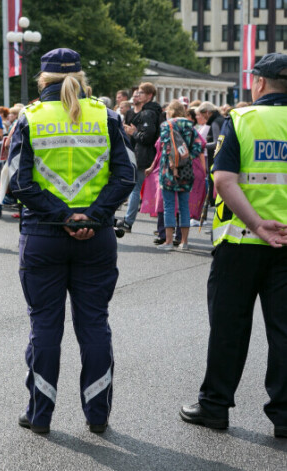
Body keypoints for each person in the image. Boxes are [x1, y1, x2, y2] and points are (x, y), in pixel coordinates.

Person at [8, 48, 135, 435]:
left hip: (44, 235)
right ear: (80, 78)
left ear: (41, 80)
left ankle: (40, 415)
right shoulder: (108, 116)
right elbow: (126, 176)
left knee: (45, 327)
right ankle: (97, 416)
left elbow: (18, 183)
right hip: (96, 237)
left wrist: (62, 215)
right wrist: (91, 216)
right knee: (94, 325)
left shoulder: (28, 117)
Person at [180, 53, 287, 439]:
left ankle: (214, 407)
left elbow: (225, 180)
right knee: (285, 332)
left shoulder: (241, 120)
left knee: (229, 327)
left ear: (259, 83)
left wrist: (258, 224)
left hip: (241, 242)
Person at [143, 100, 205, 251]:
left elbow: (167, 146)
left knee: (169, 206)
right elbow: (199, 146)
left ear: (171, 111)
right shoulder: (191, 125)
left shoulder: (167, 125)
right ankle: (184, 242)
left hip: (169, 170)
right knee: (184, 206)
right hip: (186, 170)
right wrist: (186, 159)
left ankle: (169, 241)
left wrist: (173, 164)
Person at [117, 82, 163, 232]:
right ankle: (164, 227)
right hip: (149, 154)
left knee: (136, 188)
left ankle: (128, 222)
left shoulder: (148, 113)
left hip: (145, 155)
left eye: (141, 93)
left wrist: (133, 133)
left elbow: (148, 137)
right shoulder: (152, 111)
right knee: (154, 189)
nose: (138, 95)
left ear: (149, 95)